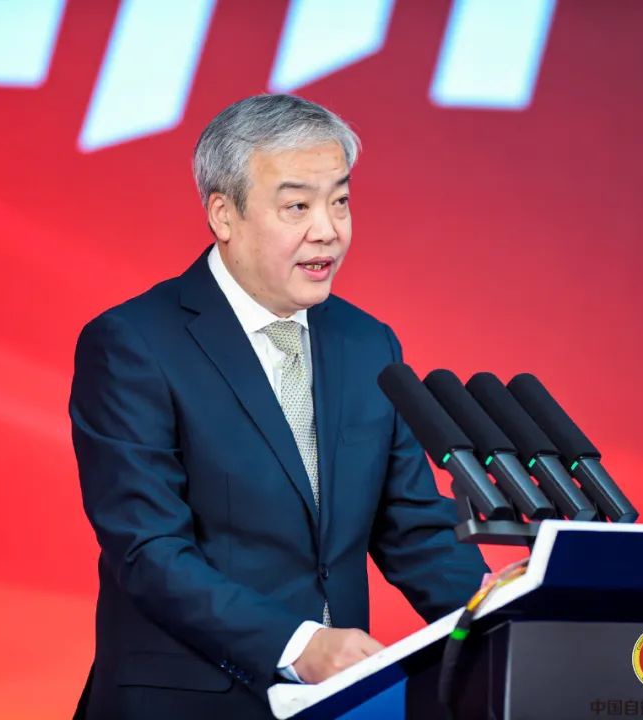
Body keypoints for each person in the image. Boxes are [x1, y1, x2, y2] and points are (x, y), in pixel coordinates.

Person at [69, 93, 488, 719]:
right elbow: (148, 550)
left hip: (334, 704)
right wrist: (299, 645)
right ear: (224, 214)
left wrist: (493, 614)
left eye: (340, 201)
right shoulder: (135, 343)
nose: (328, 230)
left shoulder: (366, 343)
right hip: (186, 704)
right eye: (298, 206)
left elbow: (413, 524)